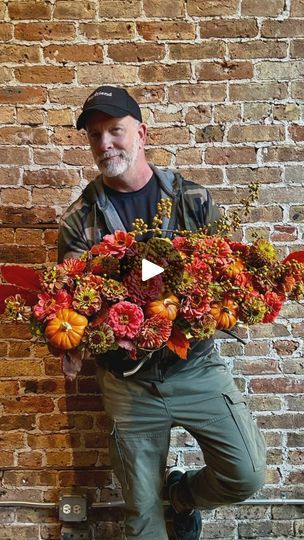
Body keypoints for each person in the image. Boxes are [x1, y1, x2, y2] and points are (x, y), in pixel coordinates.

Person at [58, 86, 267, 540]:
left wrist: (176, 285)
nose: (105, 144)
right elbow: (72, 300)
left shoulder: (193, 201)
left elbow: (225, 277)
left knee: (247, 473)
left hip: (195, 367)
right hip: (127, 383)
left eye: (115, 130)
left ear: (141, 133)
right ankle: (161, 504)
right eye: (95, 136)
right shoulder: (81, 219)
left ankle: (184, 496)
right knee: (142, 515)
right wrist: (68, 343)